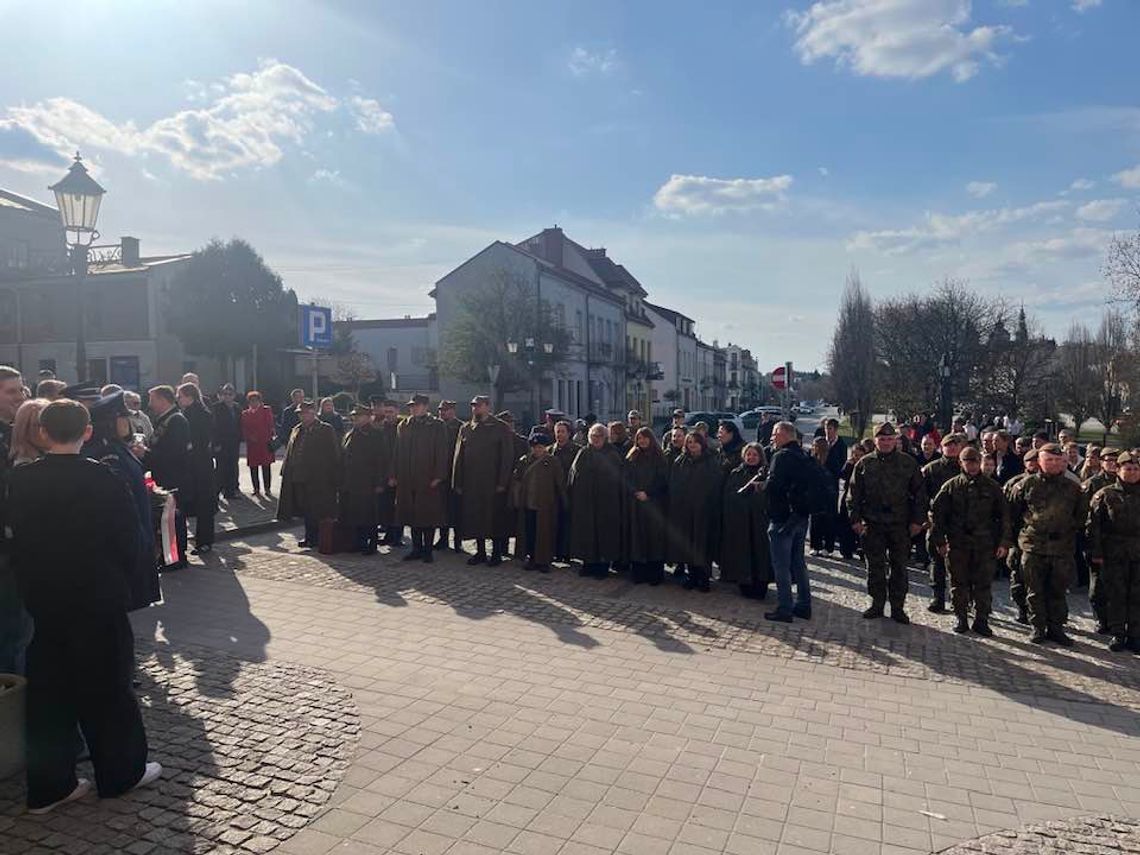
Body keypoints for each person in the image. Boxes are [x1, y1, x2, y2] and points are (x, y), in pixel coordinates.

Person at [7, 400, 161, 813]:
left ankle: (49, 785)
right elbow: (130, 541)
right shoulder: (103, 478)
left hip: (45, 600)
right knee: (109, 689)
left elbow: (16, 540)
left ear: (42, 432)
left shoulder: (21, 481)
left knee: (49, 696)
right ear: (87, 432)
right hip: (96, 599)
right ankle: (121, 772)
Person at [83, 392, 161, 612]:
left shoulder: (117, 447)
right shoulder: (108, 453)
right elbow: (117, 509)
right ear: (111, 421)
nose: (128, 421)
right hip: (126, 546)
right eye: (123, 416)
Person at [1007, 443, 1088, 645]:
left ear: (1063, 462)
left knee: (1058, 590)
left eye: (1057, 460)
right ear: (1039, 462)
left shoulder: (1073, 488)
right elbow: (1012, 515)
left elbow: (1081, 516)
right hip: (1033, 546)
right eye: (1048, 460)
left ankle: (1056, 628)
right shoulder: (1025, 485)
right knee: (1034, 590)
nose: (1053, 464)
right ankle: (1038, 627)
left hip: (1061, 547)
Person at [847, 422, 927, 624]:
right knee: (875, 566)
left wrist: (918, 521)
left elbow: (920, 494)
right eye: (882, 439)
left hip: (900, 524)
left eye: (890, 439)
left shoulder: (908, 463)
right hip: (873, 524)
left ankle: (898, 607)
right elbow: (853, 494)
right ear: (875, 441)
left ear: (895, 441)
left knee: (899, 566)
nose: (886, 443)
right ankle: (877, 603)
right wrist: (855, 519)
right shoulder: (865, 464)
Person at [929, 446, 1012, 636]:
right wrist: (940, 542)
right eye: (968, 462)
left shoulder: (992, 487)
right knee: (959, 584)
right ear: (961, 463)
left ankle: (982, 620)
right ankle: (961, 617)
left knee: (983, 584)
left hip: (984, 544)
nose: (972, 466)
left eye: (975, 462)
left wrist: (1004, 543)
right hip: (958, 543)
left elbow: (1004, 517)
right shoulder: (951, 486)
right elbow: (938, 516)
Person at [1087, 451, 1140, 652]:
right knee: (1116, 595)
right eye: (1128, 469)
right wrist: (1097, 553)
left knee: (1137, 596)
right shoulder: (1105, 494)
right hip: (1114, 554)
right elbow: (1093, 527)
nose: (1133, 473)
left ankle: (1135, 635)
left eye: (1136, 469)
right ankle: (1118, 633)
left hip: (1138, 553)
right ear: (1118, 470)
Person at [452, 396, 514, 566]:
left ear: (487, 406)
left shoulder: (500, 428)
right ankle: (480, 552)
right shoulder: (466, 428)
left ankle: (496, 553)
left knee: (494, 518)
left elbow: (507, 457)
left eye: (478, 406)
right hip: (471, 482)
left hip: (492, 482)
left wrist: (503, 481)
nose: (475, 409)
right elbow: (459, 457)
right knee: (475, 517)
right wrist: (457, 481)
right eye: (473, 406)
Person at [764, 421, 814, 621]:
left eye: (775, 434)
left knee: (781, 565)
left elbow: (775, 486)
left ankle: (784, 607)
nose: (772, 438)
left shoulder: (781, 456)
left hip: (782, 519)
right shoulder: (803, 455)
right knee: (798, 563)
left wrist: (765, 484)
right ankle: (804, 605)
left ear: (784, 435)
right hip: (800, 517)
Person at [276, 400, 342, 548]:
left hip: (319, 477)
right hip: (299, 476)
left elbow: (334, 453)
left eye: (305, 413)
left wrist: (333, 476)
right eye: (300, 413)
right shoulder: (297, 429)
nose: (302, 416)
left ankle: (319, 537)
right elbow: (290, 452)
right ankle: (309, 536)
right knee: (306, 509)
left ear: (313, 413)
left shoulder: (325, 429)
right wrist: (287, 471)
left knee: (318, 509)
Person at [394, 394, 449, 562]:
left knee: (428, 515)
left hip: (428, 477)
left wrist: (439, 475)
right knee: (411, 515)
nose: (413, 408)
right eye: (411, 406)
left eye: (417, 405)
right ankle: (416, 548)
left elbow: (442, 451)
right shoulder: (404, 425)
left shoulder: (437, 425)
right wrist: (394, 473)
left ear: (426, 406)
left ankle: (427, 550)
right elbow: (397, 451)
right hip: (407, 478)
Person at [569, 423, 625, 580]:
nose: (596, 439)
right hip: (585, 502)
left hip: (606, 503)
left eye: (599, 436)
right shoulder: (583, 452)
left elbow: (617, 479)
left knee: (605, 535)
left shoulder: (612, 454)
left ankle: (603, 566)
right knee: (587, 534)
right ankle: (588, 564)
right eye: (593, 436)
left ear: (605, 438)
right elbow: (574, 474)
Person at [666, 431, 721, 592]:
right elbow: (674, 485)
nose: (692, 445)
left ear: (702, 444)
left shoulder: (710, 461)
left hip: (704, 511)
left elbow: (715, 485)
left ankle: (704, 578)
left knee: (703, 545)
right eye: (689, 442)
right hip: (685, 511)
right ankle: (692, 576)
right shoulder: (680, 461)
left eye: (695, 442)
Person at [144, 385, 192, 568]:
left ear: (163, 400)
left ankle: (175, 558)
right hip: (165, 477)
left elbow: (174, 454)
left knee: (171, 519)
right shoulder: (165, 419)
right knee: (167, 519)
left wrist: (146, 454)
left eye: (153, 400)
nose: (150, 404)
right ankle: (169, 556)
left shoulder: (176, 421)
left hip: (174, 478)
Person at [920, 434, 966, 614]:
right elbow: (922, 497)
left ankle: (961, 601)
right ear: (942, 447)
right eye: (949, 445)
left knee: (961, 565)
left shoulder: (967, 468)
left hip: (961, 525)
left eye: (956, 445)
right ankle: (938, 598)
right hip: (937, 522)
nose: (952, 448)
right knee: (936, 562)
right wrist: (923, 518)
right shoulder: (932, 469)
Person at [720, 442, 772, 600]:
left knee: (760, 555)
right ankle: (744, 583)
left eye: (754, 455)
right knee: (743, 553)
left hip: (760, 522)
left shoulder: (767, 474)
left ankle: (761, 584)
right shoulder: (736, 473)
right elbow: (729, 496)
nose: (751, 457)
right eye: (748, 454)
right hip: (741, 521)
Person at [511, 429, 567, 573]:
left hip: (546, 504)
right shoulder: (524, 461)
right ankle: (531, 557)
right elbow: (516, 480)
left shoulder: (553, 462)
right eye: (535, 447)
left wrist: (563, 501)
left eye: (541, 447)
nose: (538, 450)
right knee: (530, 532)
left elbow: (560, 483)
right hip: (528, 503)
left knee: (545, 534)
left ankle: (544, 560)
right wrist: (517, 499)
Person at [176, 383, 217, 555]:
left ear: (189, 396)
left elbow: (203, 440)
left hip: (200, 465)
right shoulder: (186, 413)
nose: (178, 399)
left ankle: (205, 541)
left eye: (180, 396)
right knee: (194, 503)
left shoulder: (200, 413)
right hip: (193, 465)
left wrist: (189, 446)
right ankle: (198, 540)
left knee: (204, 504)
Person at [339, 406, 386, 555]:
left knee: (369, 515)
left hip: (368, 481)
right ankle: (359, 542)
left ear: (368, 417)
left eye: (358, 416)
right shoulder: (350, 434)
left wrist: (379, 482)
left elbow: (381, 460)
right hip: (351, 481)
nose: (355, 419)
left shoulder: (375, 435)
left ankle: (371, 544)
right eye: (354, 416)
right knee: (355, 514)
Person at [625, 427, 669, 585]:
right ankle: (639, 572)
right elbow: (626, 478)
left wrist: (648, 493)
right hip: (635, 504)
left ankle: (655, 574)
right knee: (637, 538)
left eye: (645, 438)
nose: (642, 441)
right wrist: (634, 491)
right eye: (639, 438)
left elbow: (663, 481)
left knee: (654, 539)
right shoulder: (632, 456)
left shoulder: (659, 457)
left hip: (654, 504)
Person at [1003, 448, 1039, 625]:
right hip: (1019, 538)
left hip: (1041, 541)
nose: (1033, 464)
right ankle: (1022, 609)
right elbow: (1007, 513)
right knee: (1018, 575)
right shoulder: (1015, 483)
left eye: (1036, 461)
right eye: (1030, 461)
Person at [373, 399, 403, 547]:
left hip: (399, 473)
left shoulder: (403, 427)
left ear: (397, 411)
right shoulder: (381, 428)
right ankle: (389, 535)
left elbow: (399, 454)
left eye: (391, 412)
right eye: (386, 412)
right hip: (383, 473)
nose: (388, 415)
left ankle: (397, 536)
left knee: (398, 507)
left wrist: (394, 475)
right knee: (386, 506)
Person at [435, 400, 464, 551]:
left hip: (455, 474)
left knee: (456, 509)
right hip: (440, 475)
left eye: (445, 410)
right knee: (441, 509)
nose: (442, 412)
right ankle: (443, 539)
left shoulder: (461, 427)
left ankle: (458, 541)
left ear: (453, 411)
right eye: (440, 410)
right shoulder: (435, 426)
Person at [241, 391, 276, 497]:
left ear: (260, 401)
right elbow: (244, 428)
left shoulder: (266, 410)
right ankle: (256, 488)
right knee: (253, 467)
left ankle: (267, 488)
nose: (253, 403)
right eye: (251, 401)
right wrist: (249, 436)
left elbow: (270, 425)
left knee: (266, 467)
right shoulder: (245, 413)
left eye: (256, 400)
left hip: (264, 443)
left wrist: (266, 436)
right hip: (252, 445)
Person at [836, 443, 867, 561]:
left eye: (860, 455)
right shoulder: (849, 465)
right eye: (855, 455)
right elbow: (842, 476)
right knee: (845, 524)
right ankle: (846, 550)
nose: (857, 457)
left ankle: (862, 550)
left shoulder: (867, 465)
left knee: (861, 525)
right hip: (848, 497)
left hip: (862, 498)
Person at [210, 384, 242, 499]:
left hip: (234, 442)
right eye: (225, 394)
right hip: (221, 443)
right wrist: (216, 443)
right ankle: (216, 492)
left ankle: (230, 492)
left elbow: (240, 424)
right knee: (220, 468)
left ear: (234, 395)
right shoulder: (217, 407)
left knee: (232, 467)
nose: (227, 396)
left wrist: (240, 438)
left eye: (230, 394)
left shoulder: (237, 407)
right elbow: (214, 427)